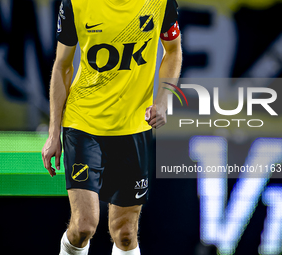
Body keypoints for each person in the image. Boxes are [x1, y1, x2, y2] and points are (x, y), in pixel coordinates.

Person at [42, 0, 182, 254]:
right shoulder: (76, 3)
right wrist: (54, 134)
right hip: (83, 124)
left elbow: (173, 51)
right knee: (83, 226)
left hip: (133, 128)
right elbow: (62, 66)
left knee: (126, 233)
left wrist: (163, 101)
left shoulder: (160, 3)